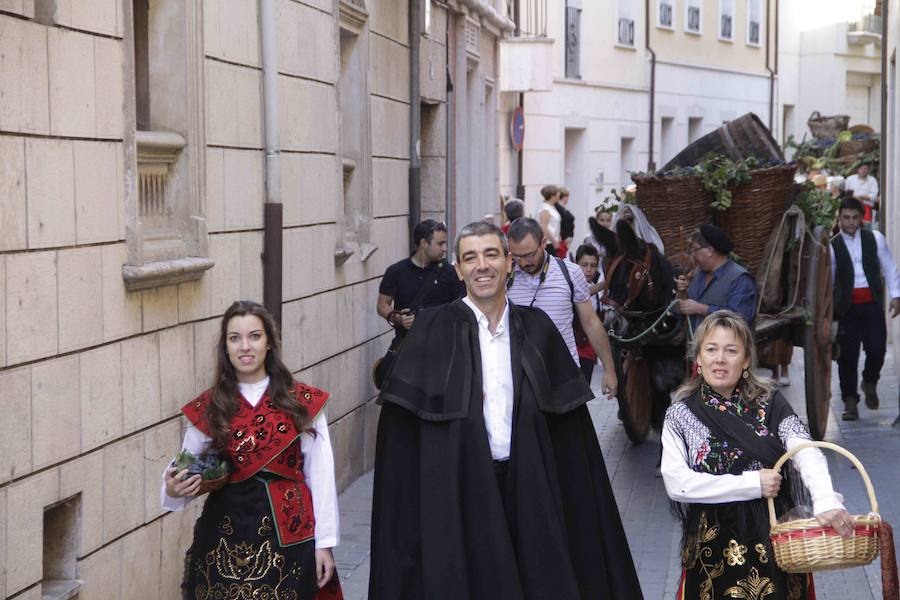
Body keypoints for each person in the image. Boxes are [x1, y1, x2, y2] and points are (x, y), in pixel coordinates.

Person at [368, 221, 643, 600]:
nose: (482, 266)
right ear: (459, 270)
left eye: (491, 254)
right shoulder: (431, 331)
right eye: (470, 257)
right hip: (459, 495)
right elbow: (400, 444)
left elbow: (574, 446)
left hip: (529, 492)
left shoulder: (538, 329)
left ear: (509, 264)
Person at [662, 310, 852, 600]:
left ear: (747, 359)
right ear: (698, 359)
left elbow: (805, 451)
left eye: (731, 350)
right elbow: (678, 483)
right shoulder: (680, 415)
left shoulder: (771, 403)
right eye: (711, 350)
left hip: (772, 536)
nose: (720, 359)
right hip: (712, 545)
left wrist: (826, 500)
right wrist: (751, 484)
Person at [162, 301, 342, 599]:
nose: (245, 346)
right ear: (226, 347)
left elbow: (321, 477)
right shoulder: (210, 408)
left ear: (269, 342)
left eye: (254, 336)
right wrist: (174, 487)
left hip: (288, 536)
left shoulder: (302, 403)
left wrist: (324, 543)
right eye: (235, 338)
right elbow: (183, 473)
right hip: (223, 537)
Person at [506, 217, 618, 398]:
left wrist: (609, 370)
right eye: (517, 256)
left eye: (529, 255)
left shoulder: (570, 273)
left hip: (564, 378)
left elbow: (591, 323)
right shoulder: (504, 276)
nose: (524, 262)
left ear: (543, 243)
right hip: (520, 380)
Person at [830, 196, 900, 420]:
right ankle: (850, 402)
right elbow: (830, 280)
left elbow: (889, 267)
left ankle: (870, 381)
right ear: (839, 218)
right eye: (845, 218)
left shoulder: (875, 239)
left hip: (872, 305)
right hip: (847, 309)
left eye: (854, 218)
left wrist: (896, 296)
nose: (850, 222)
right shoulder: (833, 246)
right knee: (847, 357)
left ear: (861, 218)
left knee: (877, 349)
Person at [376, 219, 464, 339]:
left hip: (442, 346)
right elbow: (382, 304)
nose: (445, 248)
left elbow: (463, 307)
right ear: (424, 243)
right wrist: (397, 317)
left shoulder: (451, 273)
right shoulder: (396, 271)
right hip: (407, 346)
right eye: (440, 244)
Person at [675, 224, 757, 332]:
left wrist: (702, 309)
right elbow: (678, 311)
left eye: (695, 250)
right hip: (698, 347)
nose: (693, 255)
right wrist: (682, 293)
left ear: (709, 251)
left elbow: (740, 319)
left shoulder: (740, 279)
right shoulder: (698, 275)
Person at [574, 244, 606, 384]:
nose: (589, 269)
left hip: (589, 350)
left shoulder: (596, 289)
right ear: (576, 264)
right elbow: (582, 294)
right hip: (573, 349)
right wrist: (606, 283)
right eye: (584, 265)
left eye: (593, 265)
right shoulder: (571, 284)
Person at [845, 163, 879, 227]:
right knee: (851, 225)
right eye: (861, 169)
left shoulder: (872, 180)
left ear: (868, 170)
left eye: (865, 169)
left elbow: (874, 196)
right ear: (857, 170)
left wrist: (860, 197)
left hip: (866, 208)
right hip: (851, 207)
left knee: (865, 226)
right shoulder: (850, 179)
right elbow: (846, 192)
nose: (863, 171)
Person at [536, 184, 563, 256]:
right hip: (548, 243)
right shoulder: (545, 208)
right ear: (552, 195)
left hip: (551, 242)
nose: (559, 195)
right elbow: (544, 227)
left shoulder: (551, 207)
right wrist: (554, 241)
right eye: (557, 193)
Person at [557, 186, 576, 259]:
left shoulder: (562, 208)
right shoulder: (559, 208)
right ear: (564, 197)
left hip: (565, 239)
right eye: (567, 196)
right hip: (563, 239)